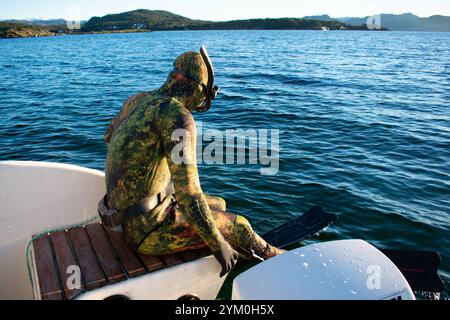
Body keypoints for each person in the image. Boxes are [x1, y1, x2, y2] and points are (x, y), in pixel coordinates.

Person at [99, 46, 284, 277]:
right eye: (203, 93)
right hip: (145, 233)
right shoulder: (177, 115)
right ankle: (280, 260)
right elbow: (190, 194)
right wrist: (218, 245)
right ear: (196, 87)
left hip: (119, 220)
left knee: (219, 203)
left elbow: (109, 138)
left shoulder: (136, 100)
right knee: (240, 226)